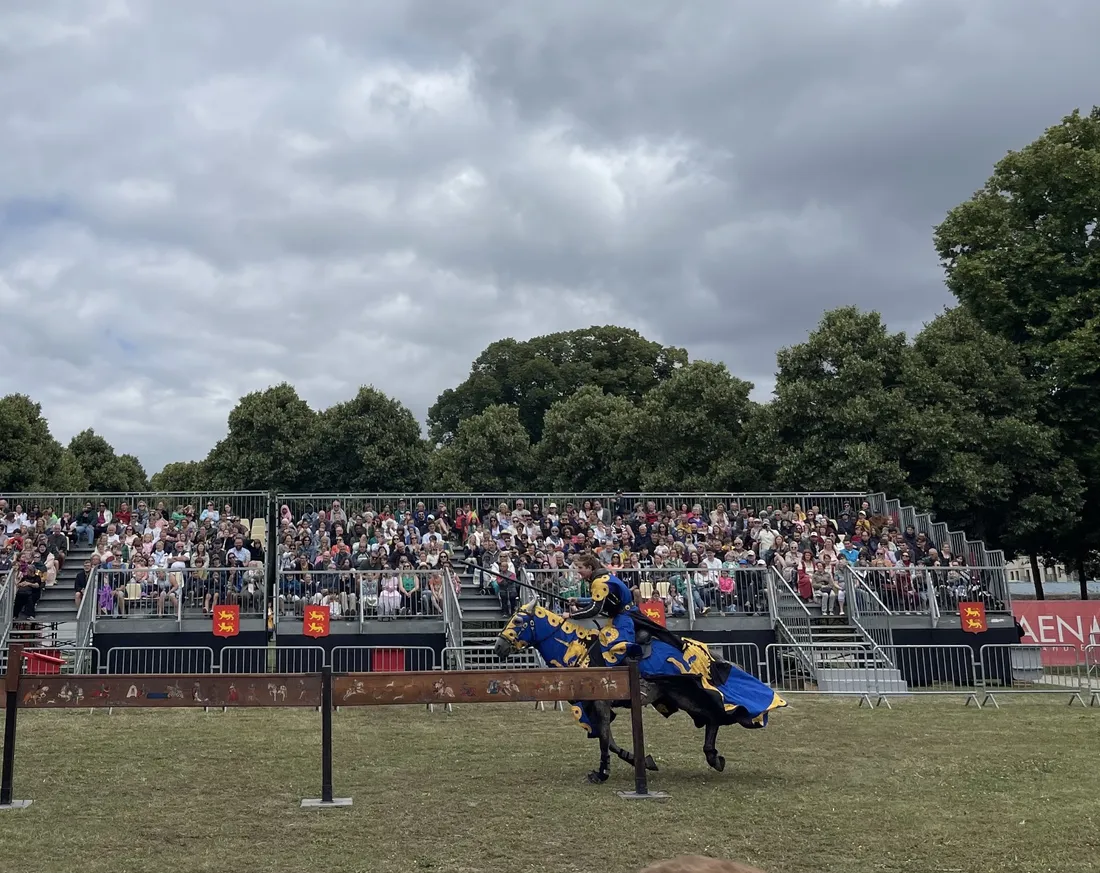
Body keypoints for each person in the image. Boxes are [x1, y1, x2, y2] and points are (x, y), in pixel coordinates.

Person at [564, 551, 641, 666]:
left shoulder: (599, 582)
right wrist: (578, 601)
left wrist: (571, 615)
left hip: (625, 619)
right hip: (620, 616)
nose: (578, 571)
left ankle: (633, 674)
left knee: (616, 647)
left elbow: (594, 609)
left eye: (580, 567)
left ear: (590, 568)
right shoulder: (603, 578)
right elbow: (598, 600)